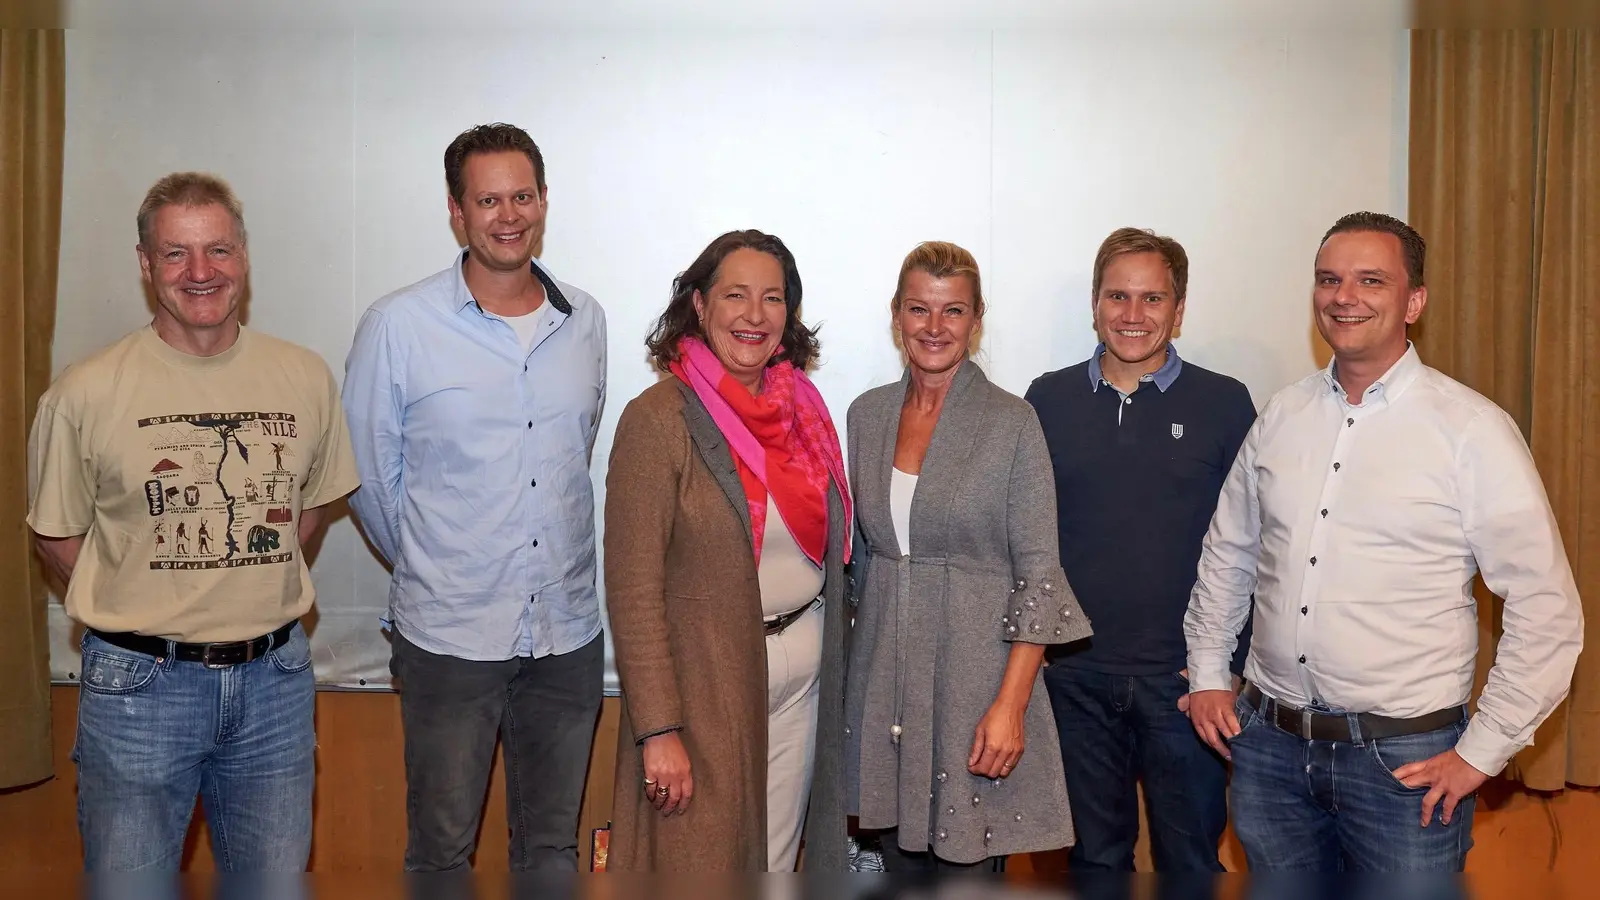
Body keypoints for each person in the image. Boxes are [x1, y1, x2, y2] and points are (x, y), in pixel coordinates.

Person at [1183, 211, 1584, 871]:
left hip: (1405, 766)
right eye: (1329, 279)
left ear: (1414, 301)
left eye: (1371, 280)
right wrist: (1204, 674)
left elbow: (1547, 608)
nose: (1345, 296)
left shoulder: (1471, 431)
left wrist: (1481, 752)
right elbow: (1228, 556)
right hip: (1269, 754)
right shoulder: (1282, 416)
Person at [26, 171, 359, 870]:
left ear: (244, 256)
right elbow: (57, 536)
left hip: (275, 684)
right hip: (139, 690)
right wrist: (146, 595)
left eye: (219, 250)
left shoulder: (305, 378)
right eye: (176, 254)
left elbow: (308, 510)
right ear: (146, 265)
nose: (201, 272)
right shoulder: (84, 393)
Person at [342, 123, 607, 872]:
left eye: (522, 196)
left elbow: (568, 461)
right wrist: (440, 560)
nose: (508, 215)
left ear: (544, 202)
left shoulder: (585, 321)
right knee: (441, 852)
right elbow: (368, 480)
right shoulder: (398, 326)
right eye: (488, 200)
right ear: (457, 212)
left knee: (553, 850)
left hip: (566, 638)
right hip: (450, 641)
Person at [602, 229, 852, 872]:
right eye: (734, 295)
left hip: (802, 685)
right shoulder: (659, 419)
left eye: (772, 298)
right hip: (705, 691)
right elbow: (632, 589)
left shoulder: (805, 412)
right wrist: (658, 730)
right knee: (703, 869)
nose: (754, 314)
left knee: (772, 864)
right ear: (698, 305)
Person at [845, 241, 1093, 871]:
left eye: (952, 311)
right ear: (896, 314)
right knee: (897, 875)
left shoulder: (1013, 422)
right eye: (919, 310)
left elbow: (1039, 576)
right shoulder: (866, 415)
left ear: (976, 320)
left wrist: (1009, 709)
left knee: (967, 877)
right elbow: (864, 565)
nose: (934, 328)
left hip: (973, 690)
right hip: (887, 689)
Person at [1024, 228, 1255, 876]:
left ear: (1178, 311)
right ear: (1095, 305)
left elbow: (1256, 544)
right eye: (1117, 296)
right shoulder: (1047, 399)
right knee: (1094, 860)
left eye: (1152, 299)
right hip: (1074, 679)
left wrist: (1229, 668)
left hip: (1184, 685)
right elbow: (1027, 538)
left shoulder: (1226, 403)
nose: (1133, 315)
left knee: (1191, 861)